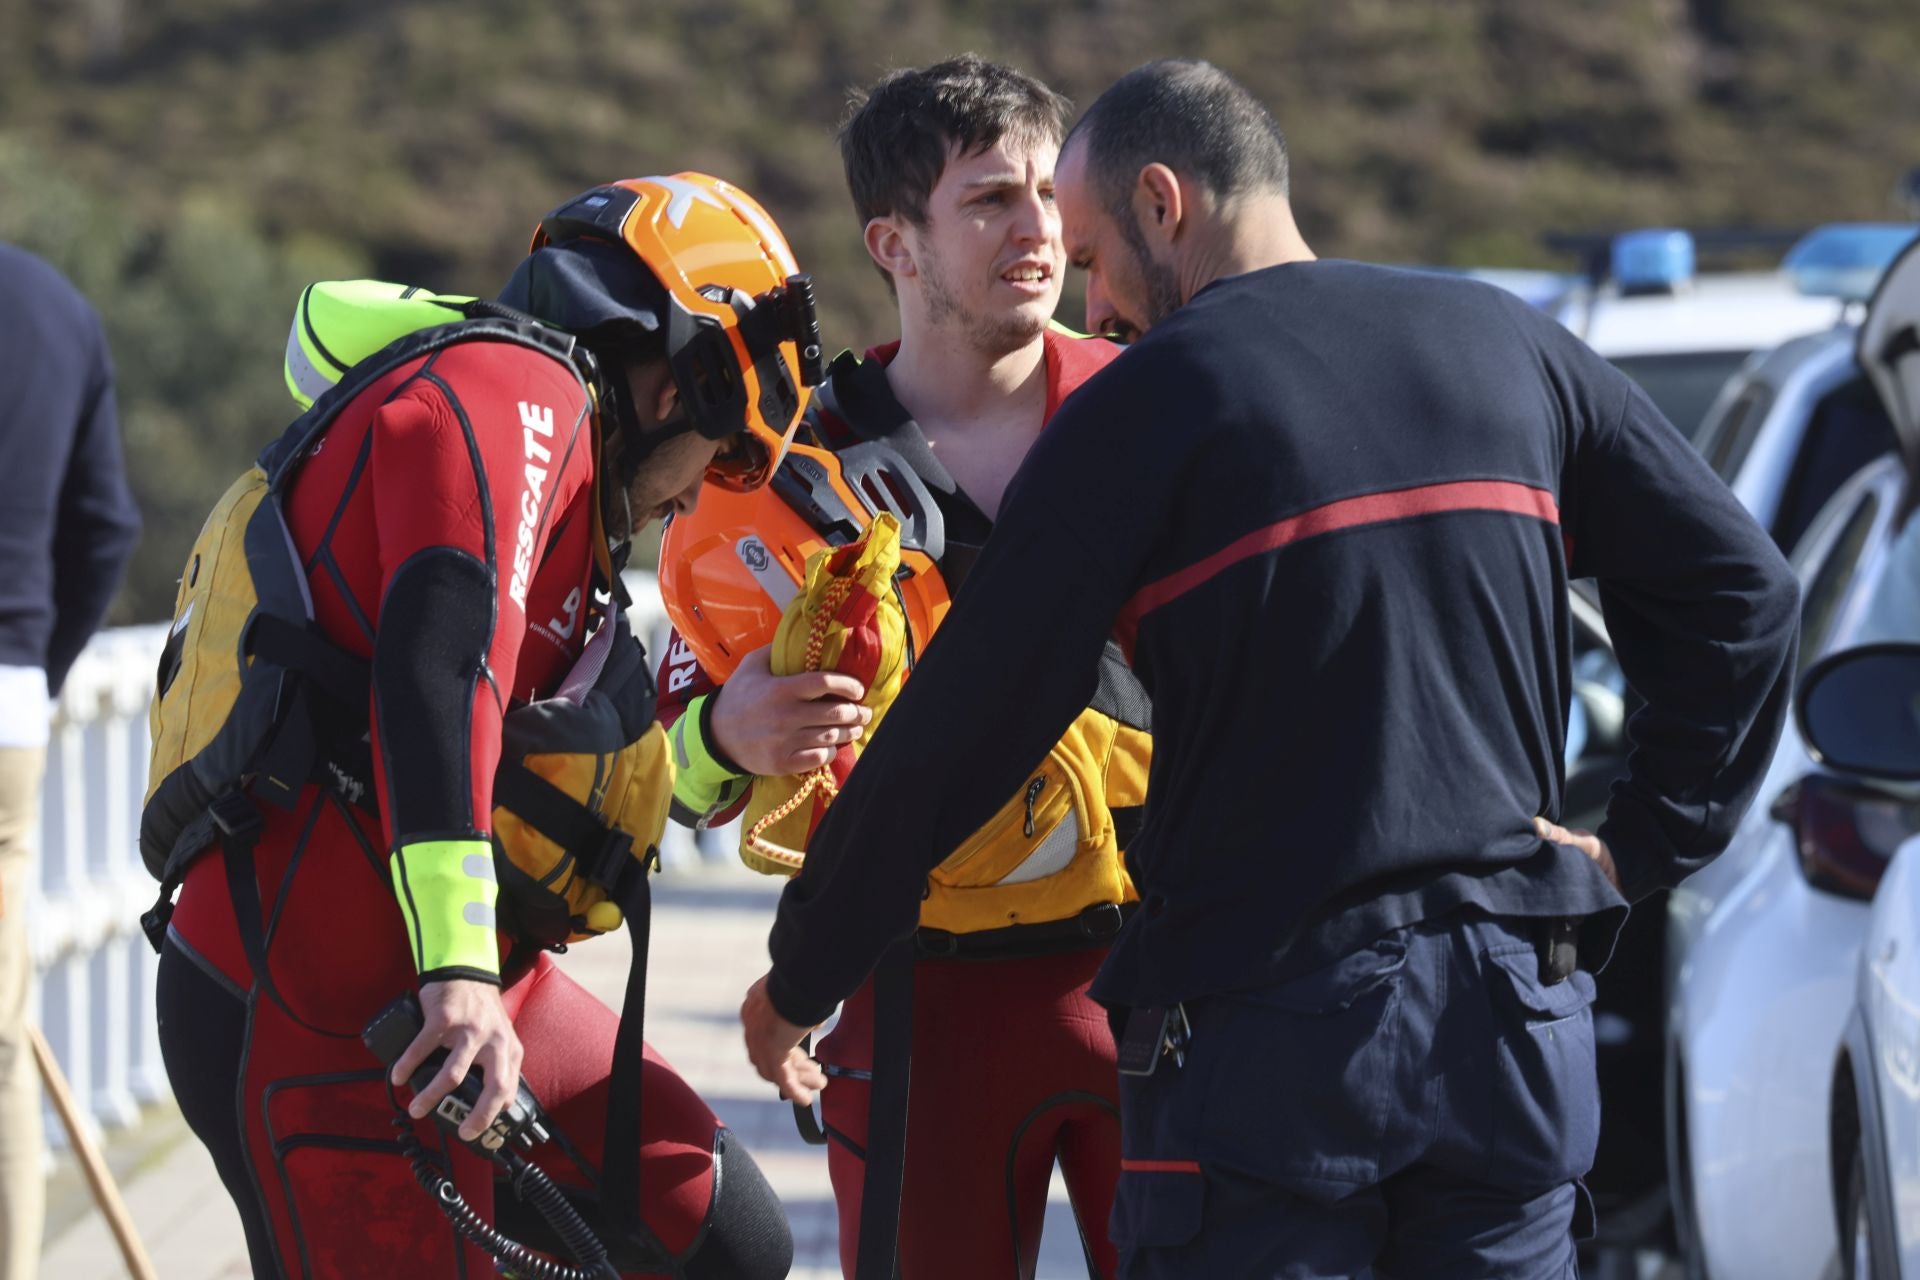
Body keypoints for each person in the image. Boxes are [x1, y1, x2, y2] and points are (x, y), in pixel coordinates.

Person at [741, 59, 1802, 1278]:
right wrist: (1638, 847)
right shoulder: (1508, 341)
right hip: (1511, 1023)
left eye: (1091, 254)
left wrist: (805, 967)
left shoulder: (1148, 407)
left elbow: (968, 725)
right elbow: (1745, 593)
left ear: (1161, 204)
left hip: (1265, 1047)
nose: (1097, 308)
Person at [154, 175, 806, 1279]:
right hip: (325, 1000)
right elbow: (437, 663)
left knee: (725, 1241)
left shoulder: (549, 448)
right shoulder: (516, 390)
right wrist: (457, 970)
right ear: (680, 378)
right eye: (726, 449)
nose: (702, 496)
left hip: (448, 990)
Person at [657, 56, 1148, 1277]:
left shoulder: (1163, 408)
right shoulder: (766, 480)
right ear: (896, 242)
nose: (1037, 229)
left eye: (1046, 193)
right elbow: (670, 779)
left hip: (1161, 980)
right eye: (989, 200)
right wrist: (726, 734)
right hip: (915, 1002)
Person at [0, 244, 140, 1280]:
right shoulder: (56, 307)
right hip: (7, 712)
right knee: (2, 1049)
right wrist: (32, 678)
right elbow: (107, 529)